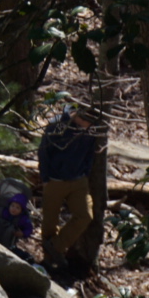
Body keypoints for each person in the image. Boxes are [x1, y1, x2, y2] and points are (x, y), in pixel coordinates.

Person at [37, 106, 96, 272]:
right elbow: (44, 152)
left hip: (79, 180)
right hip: (55, 180)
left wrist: (85, 171)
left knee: (85, 215)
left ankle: (54, 247)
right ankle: (48, 262)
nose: (90, 126)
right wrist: (45, 178)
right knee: (50, 222)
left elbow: (90, 154)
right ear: (78, 117)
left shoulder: (91, 130)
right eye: (88, 122)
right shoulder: (57, 125)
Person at [0, 185, 34, 260]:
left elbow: (29, 229)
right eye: (12, 206)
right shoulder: (1, 211)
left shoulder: (22, 219)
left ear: (22, 210)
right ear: (9, 205)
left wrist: (23, 233)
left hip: (7, 244)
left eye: (17, 208)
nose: (14, 209)